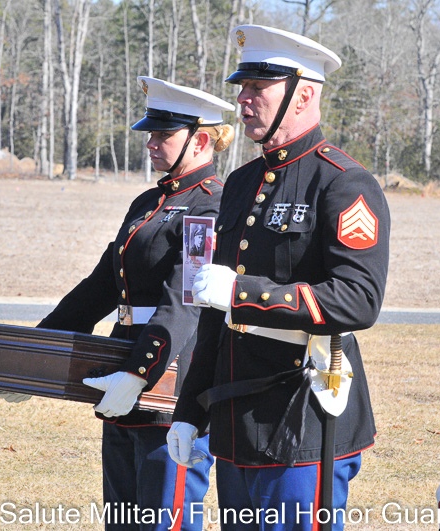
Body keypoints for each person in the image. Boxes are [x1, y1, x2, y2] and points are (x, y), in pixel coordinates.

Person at [166, 25, 390, 530]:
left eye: (257, 88)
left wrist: (242, 292)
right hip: (236, 416)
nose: (242, 100)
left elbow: (358, 299)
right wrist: (189, 411)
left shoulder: (342, 183)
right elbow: (214, 315)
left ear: (303, 95)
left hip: (303, 413)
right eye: (242, 88)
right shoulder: (242, 182)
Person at [0, 78, 235, 531]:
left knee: (165, 521)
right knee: (123, 519)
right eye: (151, 133)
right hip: (120, 371)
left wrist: (139, 373)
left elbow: (183, 302)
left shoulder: (211, 205)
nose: (150, 143)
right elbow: (100, 288)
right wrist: (38, 355)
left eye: (163, 134)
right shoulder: (149, 201)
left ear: (200, 141)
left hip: (170, 382)